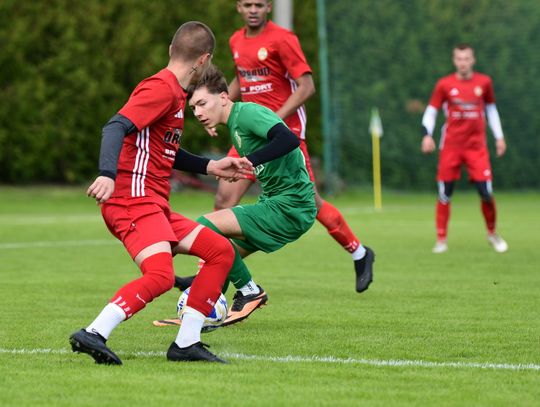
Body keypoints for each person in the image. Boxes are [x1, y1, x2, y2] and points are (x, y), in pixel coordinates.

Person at [173, 0, 375, 325]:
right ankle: (209, 288)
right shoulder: (236, 42)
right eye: (247, 4)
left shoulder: (283, 39)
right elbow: (238, 82)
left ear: (268, 6)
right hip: (247, 131)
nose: (253, 9)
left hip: (280, 133)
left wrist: (270, 121)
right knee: (223, 202)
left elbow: (306, 87)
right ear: (239, 7)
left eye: (259, 4)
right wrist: (211, 108)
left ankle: (359, 252)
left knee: (309, 202)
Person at [69, 21, 255, 365]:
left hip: (153, 204)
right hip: (132, 201)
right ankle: (94, 332)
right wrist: (107, 174)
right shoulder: (161, 89)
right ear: (204, 60)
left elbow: (164, 150)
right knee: (160, 276)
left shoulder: (174, 94)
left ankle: (186, 342)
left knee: (219, 251)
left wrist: (211, 166)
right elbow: (115, 126)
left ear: (172, 50)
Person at [179, 64, 318, 327]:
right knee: (221, 253)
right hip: (279, 203)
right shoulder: (235, 125)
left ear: (223, 97)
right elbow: (271, 159)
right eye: (193, 108)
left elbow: (288, 140)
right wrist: (243, 168)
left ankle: (250, 291)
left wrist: (250, 161)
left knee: (204, 226)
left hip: (289, 206)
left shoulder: (247, 113)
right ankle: (199, 312)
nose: (198, 113)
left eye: (202, 103)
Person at [421, 43, 508, 254]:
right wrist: (427, 135)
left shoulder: (484, 82)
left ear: (473, 60)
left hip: (476, 148)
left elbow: (491, 109)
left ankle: (492, 233)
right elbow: (431, 111)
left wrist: (499, 137)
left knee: (486, 192)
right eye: (459, 59)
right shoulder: (444, 84)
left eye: (466, 58)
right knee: (445, 193)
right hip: (451, 147)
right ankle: (441, 240)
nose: (463, 63)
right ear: (454, 61)